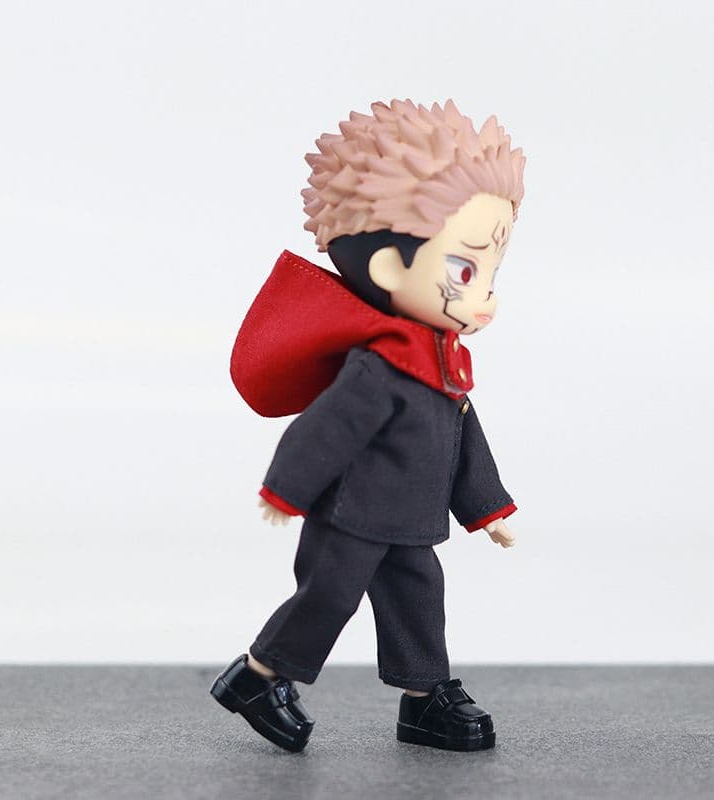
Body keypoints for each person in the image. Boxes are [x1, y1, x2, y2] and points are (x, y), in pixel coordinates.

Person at [210, 98, 526, 752]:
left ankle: (425, 698)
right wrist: (285, 491)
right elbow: (326, 429)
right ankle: (259, 676)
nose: (486, 297)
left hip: (412, 516)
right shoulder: (381, 366)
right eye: (465, 270)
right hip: (353, 515)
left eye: (491, 274)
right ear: (388, 267)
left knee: (420, 599)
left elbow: (464, 437)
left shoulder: (440, 362)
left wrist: (487, 507)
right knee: (328, 595)